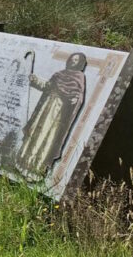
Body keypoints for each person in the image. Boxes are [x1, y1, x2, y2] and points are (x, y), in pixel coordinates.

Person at [15, 52, 87, 180]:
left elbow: (78, 95)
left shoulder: (79, 77)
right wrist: (35, 80)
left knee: (47, 137)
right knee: (35, 133)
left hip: (58, 112)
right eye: (72, 59)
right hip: (45, 108)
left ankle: (36, 170)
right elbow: (47, 86)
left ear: (80, 63)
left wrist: (75, 99)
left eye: (76, 60)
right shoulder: (59, 74)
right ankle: (22, 163)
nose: (73, 61)